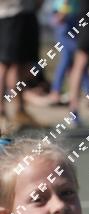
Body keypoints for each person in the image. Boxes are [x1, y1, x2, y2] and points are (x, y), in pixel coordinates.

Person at [0, 0, 44, 133]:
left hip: (24, 13)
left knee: (21, 64)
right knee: (8, 64)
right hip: (11, 14)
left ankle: (20, 111)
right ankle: (2, 112)